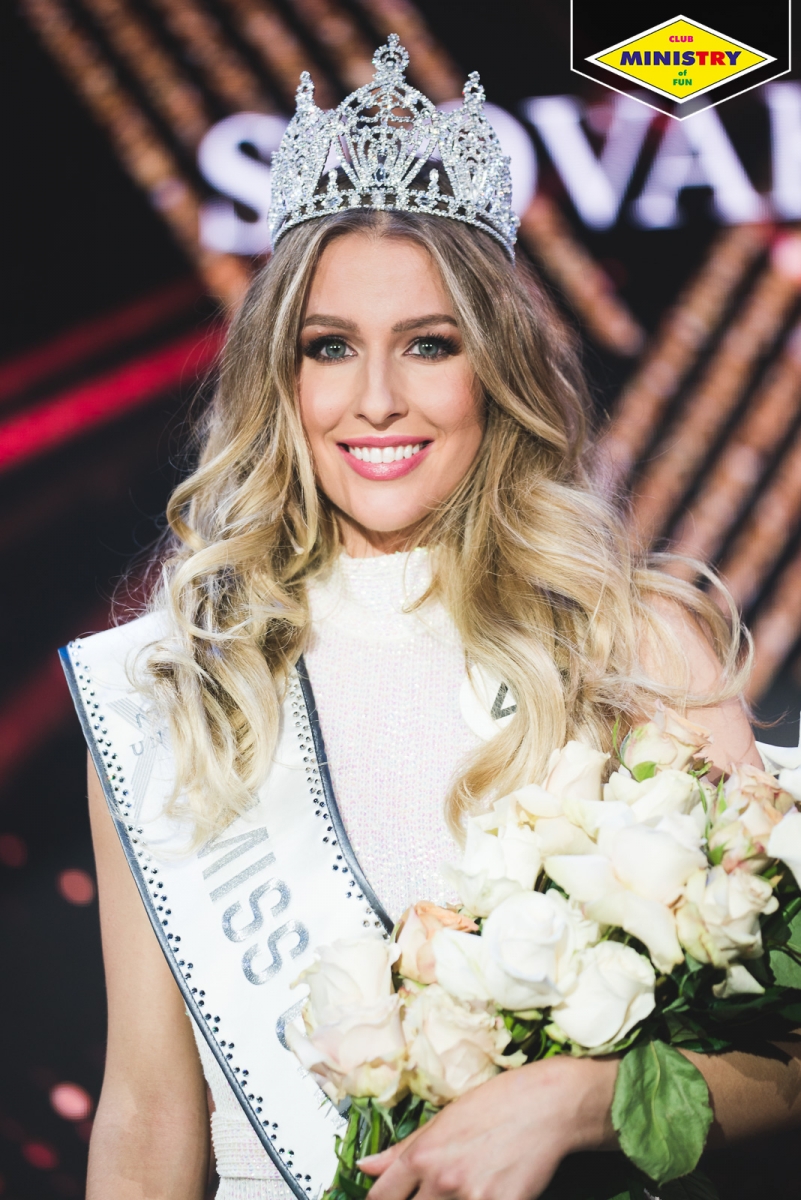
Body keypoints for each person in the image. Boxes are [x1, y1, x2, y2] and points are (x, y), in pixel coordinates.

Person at [66, 35, 801, 1200]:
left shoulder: (633, 641)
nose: (376, 400)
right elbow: (150, 1110)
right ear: (279, 380)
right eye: (329, 349)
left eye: (429, 345)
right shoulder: (175, 687)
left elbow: (788, 1056)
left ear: (492, 371)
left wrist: (575, 1101)